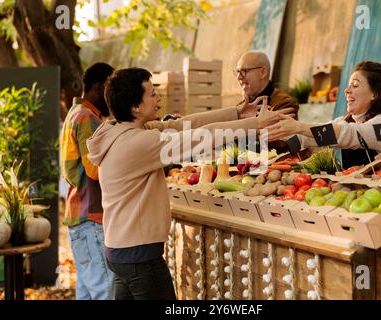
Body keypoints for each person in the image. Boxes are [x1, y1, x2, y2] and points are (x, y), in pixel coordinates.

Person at [86, 68, 289, 300]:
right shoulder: (138, 142)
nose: (158, 98)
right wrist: (255, 124)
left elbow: (183, 125)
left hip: (121, 251)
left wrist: (236, 112)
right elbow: (198, 138)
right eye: (152, 94)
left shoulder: (118, 130)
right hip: (139, 257)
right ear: (136, 107)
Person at [266, 61, 381, 169]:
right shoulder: (347, 120)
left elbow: (349, 134)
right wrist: (273, 132)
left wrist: (298, 126)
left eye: (355, 85)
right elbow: (308, 139)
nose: (347, 91)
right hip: (362, 196)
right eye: (348, 86)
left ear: (375, 93)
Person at [60, 62, 115, 300]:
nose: (113, 97)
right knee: (105, 291)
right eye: (110, 89)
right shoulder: (87, 117)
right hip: (91, 218)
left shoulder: (74, 114)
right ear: (99, 87)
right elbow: (95, 170)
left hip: (78, 217)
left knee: (87, 291)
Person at [235, 50, 299, 116]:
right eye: (238, 72)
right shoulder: (240, 107)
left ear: (263, 73)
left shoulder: (284, 103)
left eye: (244, 71)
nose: (239, 77)